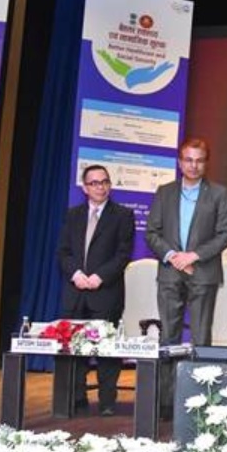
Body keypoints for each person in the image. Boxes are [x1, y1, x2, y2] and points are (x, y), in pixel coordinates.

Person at [146, 138, 227, 411]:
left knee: (201, 338)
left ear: (206, 163)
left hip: (203, 273)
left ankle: (199, 402)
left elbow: (225, 234)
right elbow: (152, 233)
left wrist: (193, 256)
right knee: (168, 339)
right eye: (188, 160)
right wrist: (174, 256)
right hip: (170, 274)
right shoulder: (164, 192)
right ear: (179, 162)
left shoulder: (218, 193)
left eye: (199, 160)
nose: (193, 165)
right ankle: (166, 403)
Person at [56, 164, 135, 417]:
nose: (100, 187)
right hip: (76, 292)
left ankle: (107, 401)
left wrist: (99, 277)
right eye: (94, 183)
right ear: (85, 188)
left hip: (106, 292)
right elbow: (63, 252)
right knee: (75, 349)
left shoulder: (122, 215)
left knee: (106, 351)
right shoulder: (73, 215)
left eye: (105, 182)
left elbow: (123, 254)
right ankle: (77, 398)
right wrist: (77, 275)